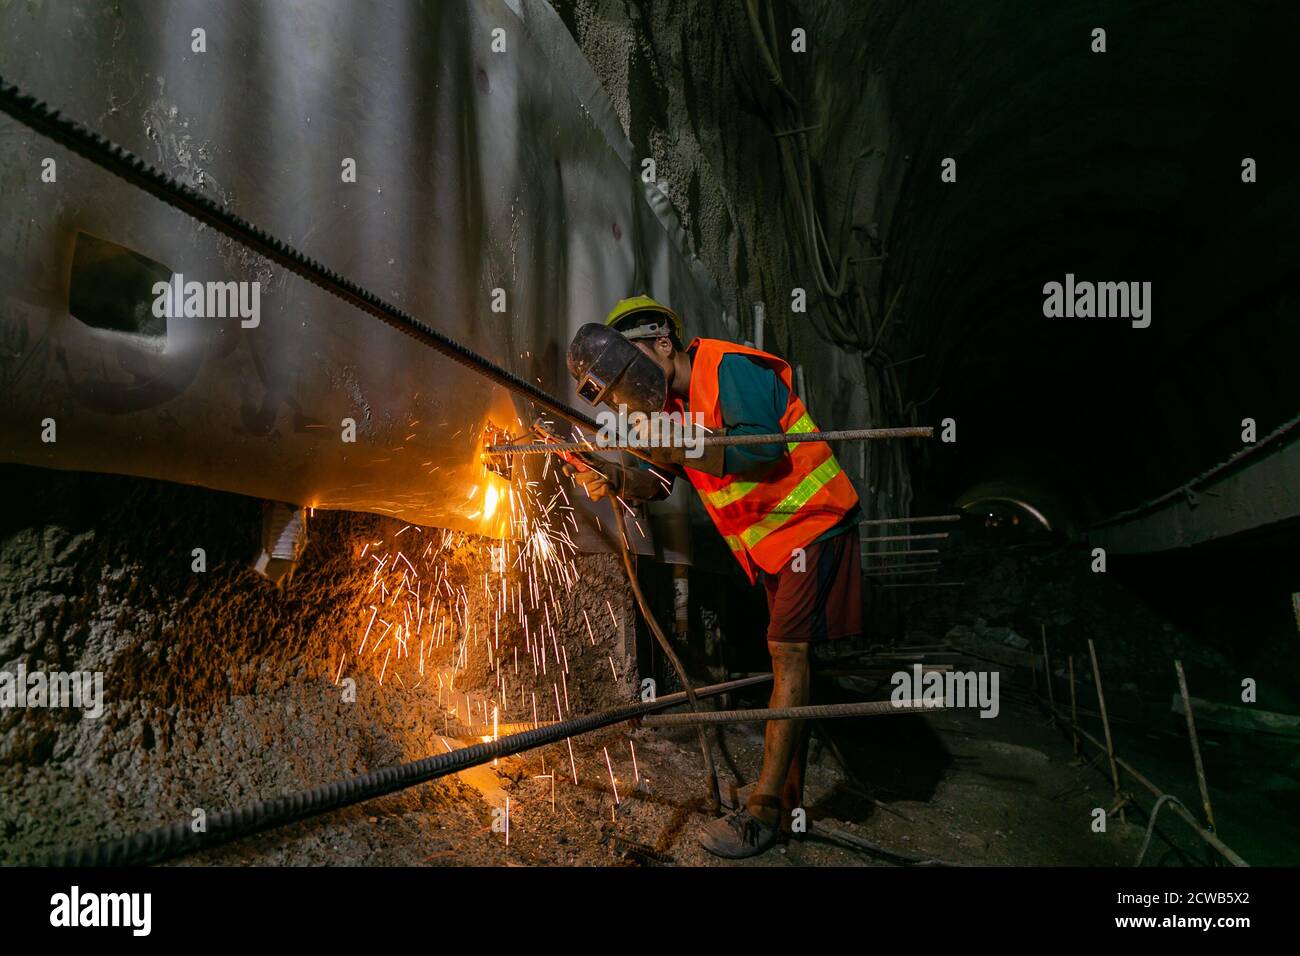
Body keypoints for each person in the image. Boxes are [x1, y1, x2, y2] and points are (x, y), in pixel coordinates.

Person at [568, 295, 862, 858]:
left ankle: (764, 812)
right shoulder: (670, 407)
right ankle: (788, 799)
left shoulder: (728, 367)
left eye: (630, 376)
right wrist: (610, 473)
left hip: (813, 521)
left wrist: (674, 444)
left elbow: (763, 445)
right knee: (789, 657)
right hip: (775, 544)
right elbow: (660, 480)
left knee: (787, 653)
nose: (629, 398)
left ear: (662, 345)